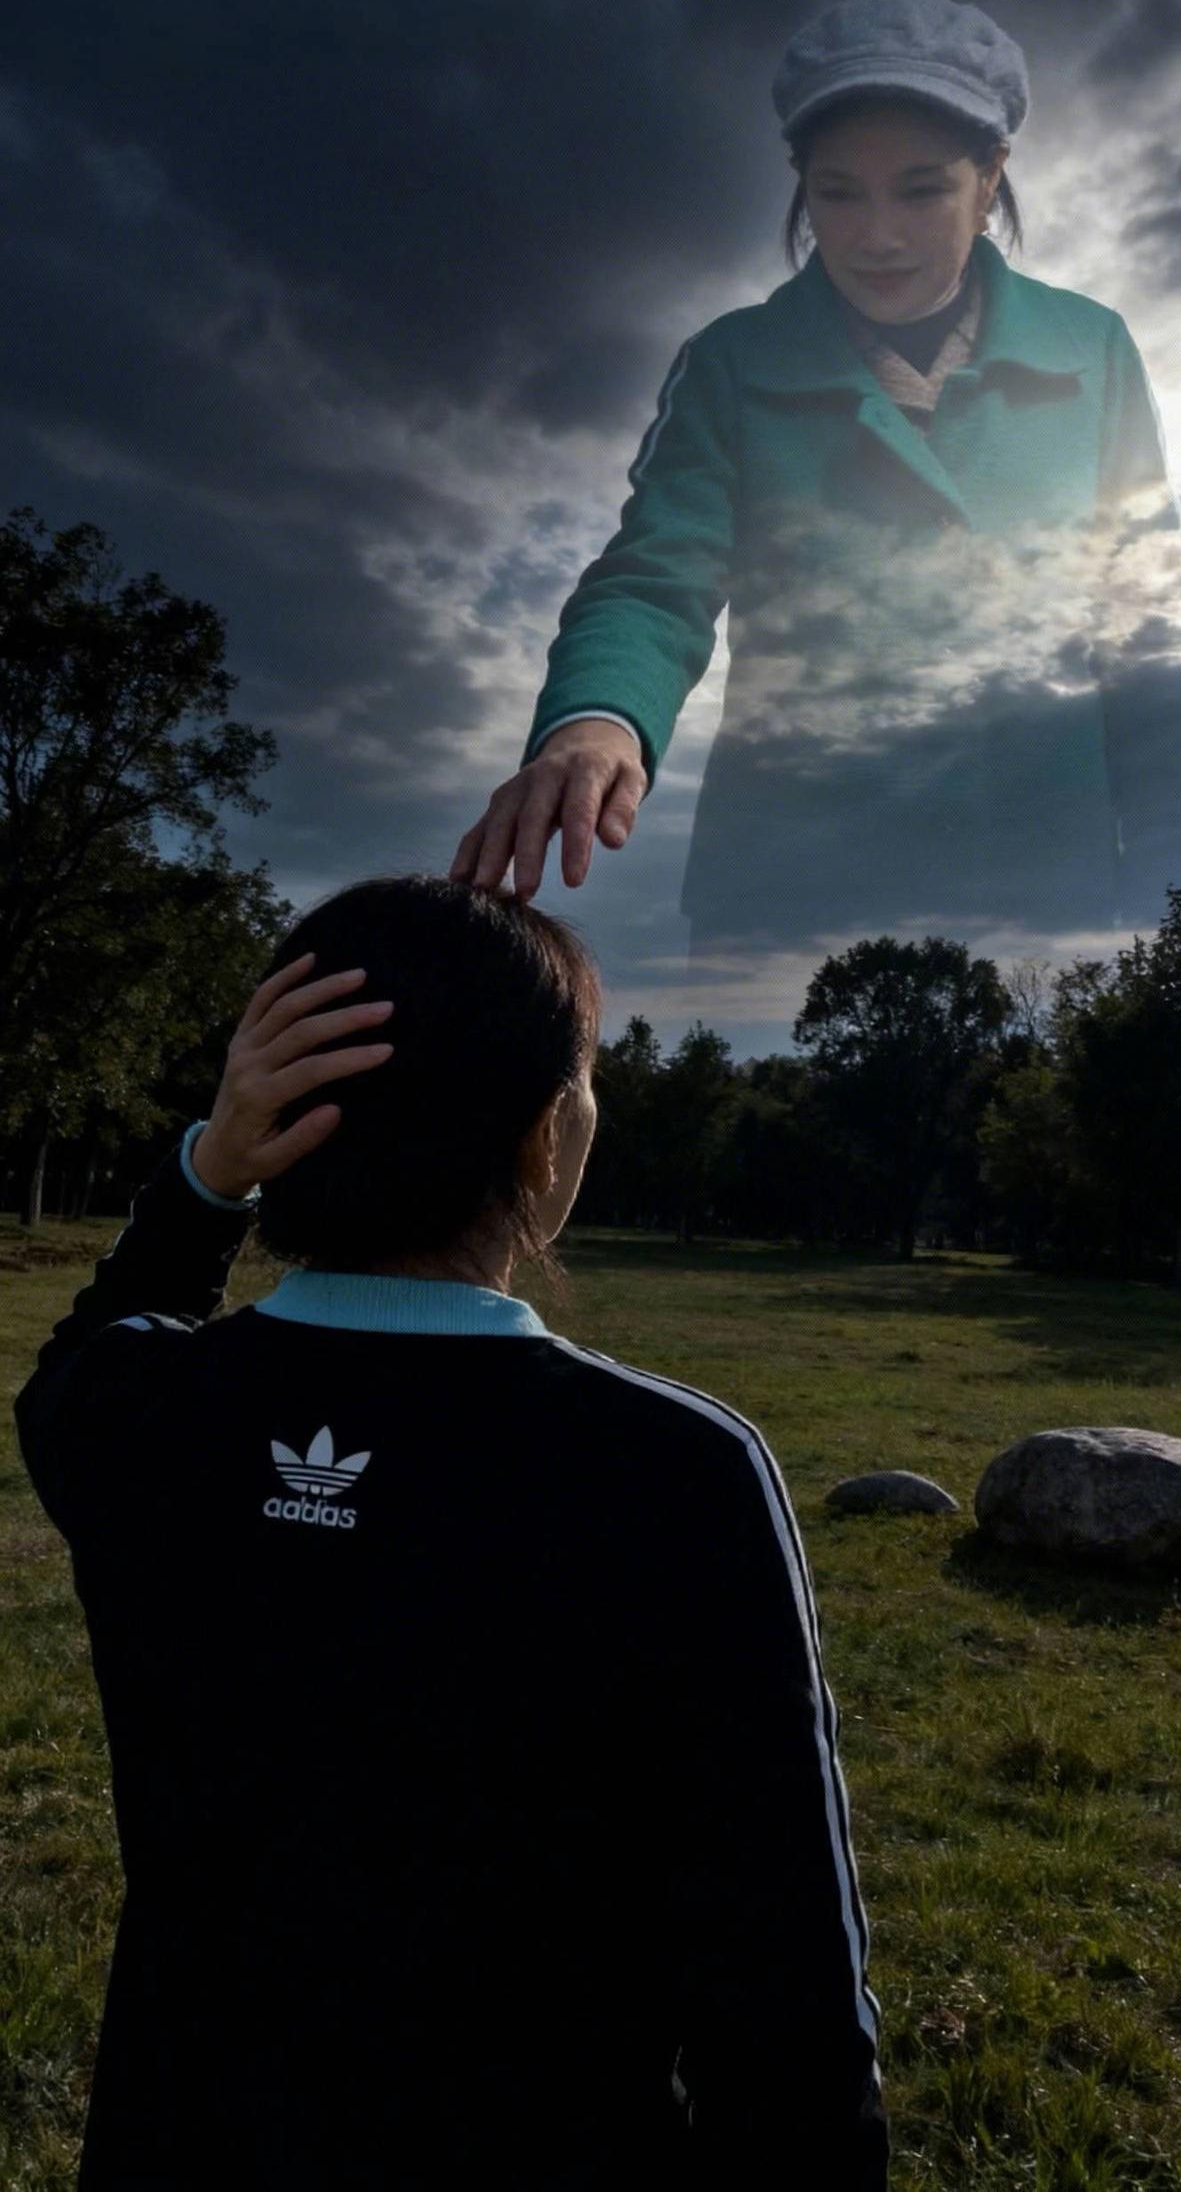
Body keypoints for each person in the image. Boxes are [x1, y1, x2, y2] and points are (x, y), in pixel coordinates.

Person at [16, 872, 889, 2189]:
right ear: (542, 1140)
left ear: (279, 1116)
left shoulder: (134, 1413)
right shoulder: (679, 1472)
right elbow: (790, 2010)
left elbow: (88, 1349)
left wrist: (208, 1173)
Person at [450, 0, 1181, 955]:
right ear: (800, 182)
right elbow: (654, 576)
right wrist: (596, 722)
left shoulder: (1092, 351)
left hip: (1048, 903)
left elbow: (1148, 646)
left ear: (991, 174)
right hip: (784, 913)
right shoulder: (732, 362)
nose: (876, 235)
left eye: (921, 189)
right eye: (839, 192)